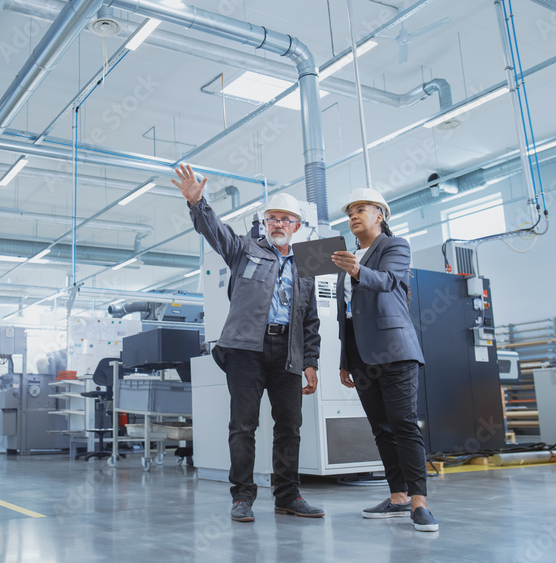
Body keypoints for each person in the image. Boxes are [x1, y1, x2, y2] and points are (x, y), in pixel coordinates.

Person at [172, 163, 323, 523]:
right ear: (265, 222)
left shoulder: (306, 267)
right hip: (246, 351)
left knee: (290, 427)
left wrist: (311, 361)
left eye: (287, 219)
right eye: (273, 218)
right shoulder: (244, 249)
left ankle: (288, 495)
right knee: (243, 425)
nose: (279, 224)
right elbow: (216, 232)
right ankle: (242, 497)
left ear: (297, 227)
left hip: (288, 353)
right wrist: (198, 204)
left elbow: (310, 320)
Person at [330, 187, 438, 532]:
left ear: (380, 215)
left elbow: (390, 281)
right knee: (381, 428)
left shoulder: (395, 246)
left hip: (394, 350)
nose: (353, 216)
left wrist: (357, 270)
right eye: (350, 212)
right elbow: (345, 315)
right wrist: (345, 359)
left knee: (403, 422)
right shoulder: (345, 259)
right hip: (361, 357)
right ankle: (398, 496)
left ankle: (419, 501)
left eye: (361, 209)